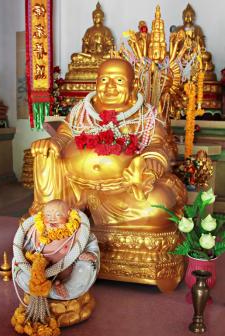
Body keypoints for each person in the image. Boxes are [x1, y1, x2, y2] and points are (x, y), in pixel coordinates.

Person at [31, 58, 186, 227]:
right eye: (104, 80)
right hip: (73, 184)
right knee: (45, 153)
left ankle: (91, 209)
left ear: (133, 85)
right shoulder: (81, 110)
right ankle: (52, 213)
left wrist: (153, 158)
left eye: (119, 80)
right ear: (96, 83)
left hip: (122, 190)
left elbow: (159, 143)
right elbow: (65, 134)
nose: (110, 86)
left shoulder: (146, 115)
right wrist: (54, 143)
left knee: (158, 203)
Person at [13, 199, 100, 300]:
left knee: (86, 266)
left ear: (68, 215)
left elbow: (91, 245)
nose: (52, 219)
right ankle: (50, 290)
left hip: (67, 273)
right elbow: (25, 249)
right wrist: (28, 260)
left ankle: (62, 289)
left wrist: (90, 254)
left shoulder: (78, 231)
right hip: (40, 273)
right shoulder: (36, 230)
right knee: (18, 265)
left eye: (58, 215)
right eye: (48, 215)